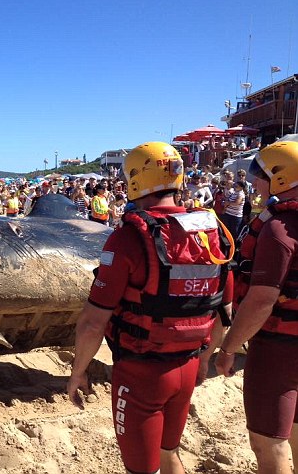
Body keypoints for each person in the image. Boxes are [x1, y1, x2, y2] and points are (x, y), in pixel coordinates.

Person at [67, 141, 234, 474]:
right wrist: (204, 359)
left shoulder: (129, 238)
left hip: (142, 374)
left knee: (142, 469)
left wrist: (78, 372)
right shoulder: (210, 231)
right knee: (169, 454)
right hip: (187, 366)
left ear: (134, 180)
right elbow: (222, 311)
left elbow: (92, 323)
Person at [215, 141, 298, 473]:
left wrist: (228, 348)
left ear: (280, 176)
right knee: (294, 430)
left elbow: (262, 299)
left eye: (260, 176)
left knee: (268, 441)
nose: (254, 184)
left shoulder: (279, 228)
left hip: (279, 348)